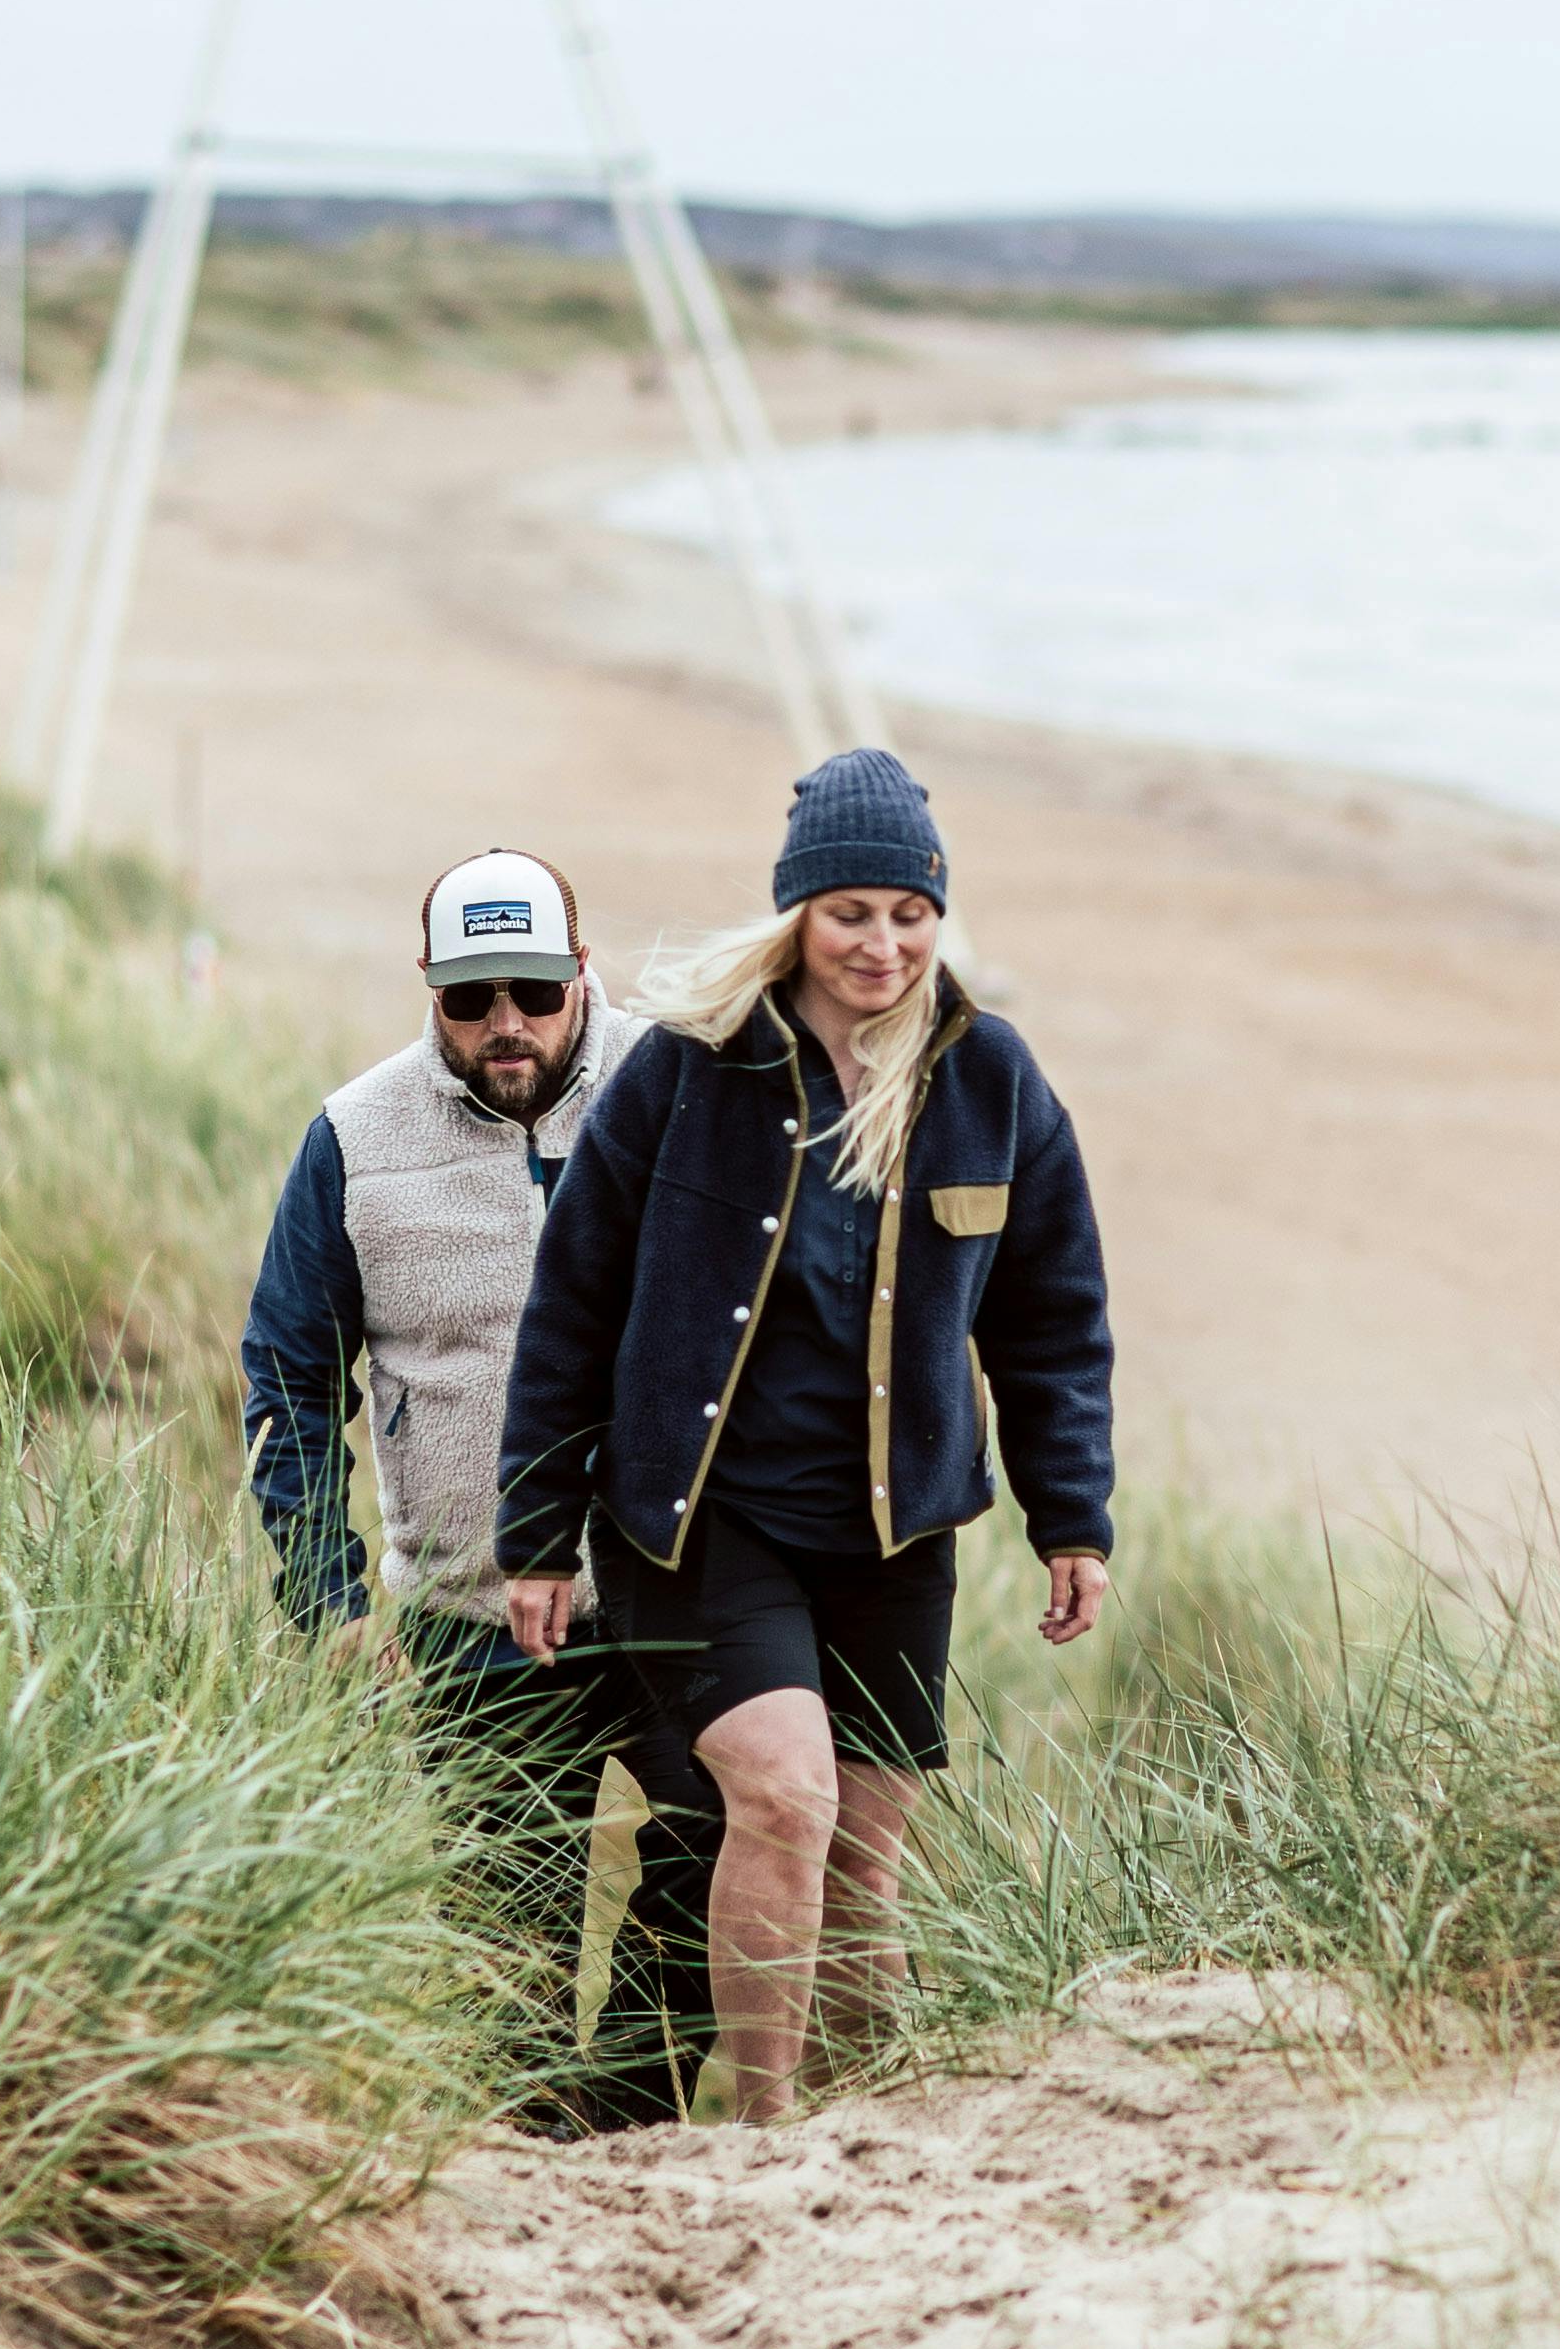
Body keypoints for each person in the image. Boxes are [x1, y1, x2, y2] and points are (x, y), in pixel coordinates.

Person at [496, 749, 1116, 2124]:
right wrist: (536, 1529)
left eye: (909, 912)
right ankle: (767, 2143)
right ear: (797, 919)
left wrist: (1070, 1514)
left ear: (939, 916)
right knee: (784, 1798)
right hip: (701, 1520)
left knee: (866, 1863)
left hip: (893, 1539)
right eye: (850, 913)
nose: (882, 944)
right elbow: (573, 1303)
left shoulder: (989, 1081)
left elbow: (1052, 1315)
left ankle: (865, 2136)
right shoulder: (686, 1072)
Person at [241, 847, 715, 2133]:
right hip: (472, 1613)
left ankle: (629, 2137)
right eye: (469, 998)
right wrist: (327, 1593)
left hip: (683, 1584)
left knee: (703, 1875)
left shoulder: (682, 1090)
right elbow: (288, 1375)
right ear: (428, 989)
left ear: (579, 973)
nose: (504, 1024)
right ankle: (525, 2165)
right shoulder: (353, 1137)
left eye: (529, 990)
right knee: (502, 1923)